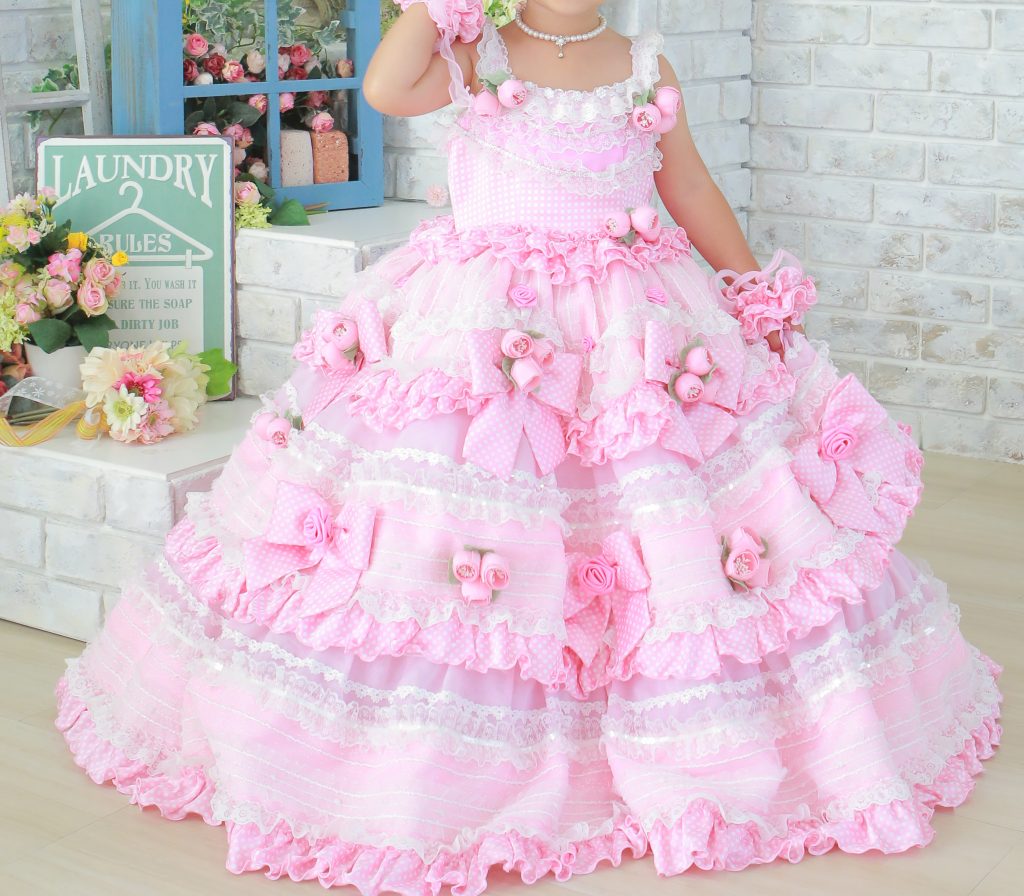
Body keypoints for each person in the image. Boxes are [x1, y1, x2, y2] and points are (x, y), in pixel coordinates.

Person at [56, 2, 1002, 893]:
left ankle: (692, 731)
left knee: (666, 528)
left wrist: (753, 291)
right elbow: (384, 87)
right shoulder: (477, 52)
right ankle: (435, 752)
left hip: (632, 328)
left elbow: (688, 186)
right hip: (485, 334)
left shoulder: (644, 65)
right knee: (464, 534)